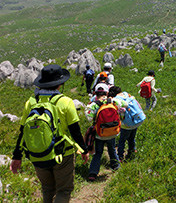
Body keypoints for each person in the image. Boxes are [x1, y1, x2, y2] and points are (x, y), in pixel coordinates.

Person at [10, 64, 89, 203]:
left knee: (47, 189)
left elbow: (22, 131)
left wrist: (17, 156)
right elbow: (75, 131)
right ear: (59, 84)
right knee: (63, 190)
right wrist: (83, 150)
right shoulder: (65, 102)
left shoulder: (31, 102)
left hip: (37, 154)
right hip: (62, 154)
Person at [85, 84, 126, 182]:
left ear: (95, 93)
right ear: (107, 93)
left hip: (100, 134)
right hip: (112, 132)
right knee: (112, 149)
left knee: (98, 153)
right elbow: (125, 104)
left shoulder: (94, 105)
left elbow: (89, 118)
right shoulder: (113, 101)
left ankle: (93, 173)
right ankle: (116, 167)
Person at [112, 86, 145, 162]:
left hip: (127, 124)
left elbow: (120, 113)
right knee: (131, 138)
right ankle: (132, 152)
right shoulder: (128, 95)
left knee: (122, 140)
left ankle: (120, 156)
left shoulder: (117, 100)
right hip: (136, 120)